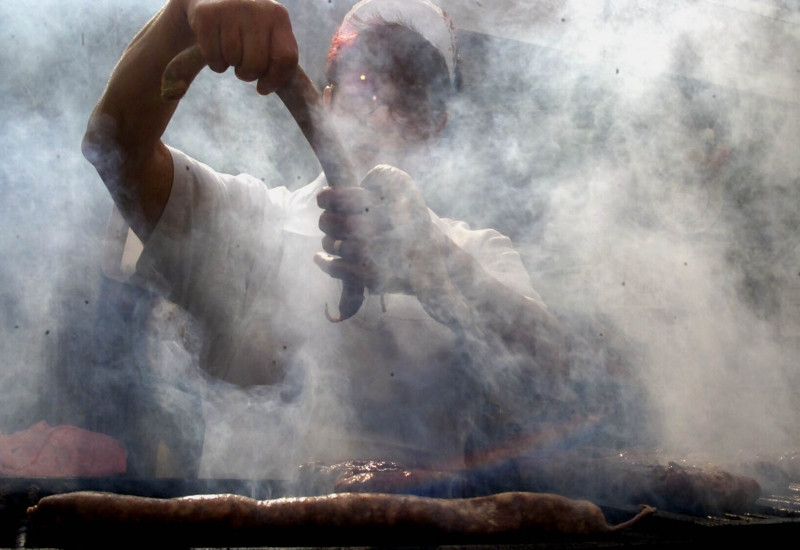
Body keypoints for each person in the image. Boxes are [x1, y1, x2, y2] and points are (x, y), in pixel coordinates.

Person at [83, 0, 577, 481]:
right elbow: (114, 148)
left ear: (438, 128)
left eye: (413, 96)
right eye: (364, 85)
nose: (383, 116)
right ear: (327, 101)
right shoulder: (252, 217)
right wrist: (179, 16)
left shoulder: (478, 250)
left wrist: (443, 271)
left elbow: (555, 374)